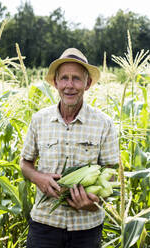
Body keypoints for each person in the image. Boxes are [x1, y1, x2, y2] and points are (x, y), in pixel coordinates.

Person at [20, 48, 119, 248]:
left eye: (76, 79)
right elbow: (25, 162)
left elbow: (113, 174)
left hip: (86, 228)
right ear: (55, 83)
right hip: (44, 224)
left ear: (87, 84)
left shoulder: (104, 124)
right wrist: (38, 177)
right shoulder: (39, 120)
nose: (69, 85)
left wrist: (93, 203)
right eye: (64, 78)